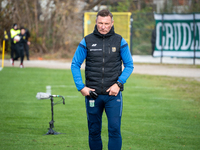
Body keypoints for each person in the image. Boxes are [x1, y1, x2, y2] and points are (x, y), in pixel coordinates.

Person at [71, 9, 134, 150]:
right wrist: (81, 87)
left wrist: (118, 84)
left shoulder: (120, 41)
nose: (103, 26)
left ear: (112, 23)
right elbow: (75, 64)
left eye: (106, 23)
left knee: (114, 130)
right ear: (96, 22)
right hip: (93, 95)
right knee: (94, 132)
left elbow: (129, 65)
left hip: (113, 96)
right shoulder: (87, 40)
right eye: (100, 23)